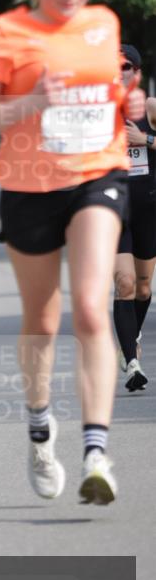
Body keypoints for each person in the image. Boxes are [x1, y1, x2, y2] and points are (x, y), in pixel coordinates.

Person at [0, 0, 145, 506]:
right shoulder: (6, 31)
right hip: (27, 184)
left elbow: (108, 94)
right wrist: (31, 102)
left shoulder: (104, 24)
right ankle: (41, 429)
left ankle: (97, 452)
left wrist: (127, 104)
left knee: (93, 306)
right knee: (42, 320)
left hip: (97, 173)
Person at [113, 43, 156, 392]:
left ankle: (133, 334)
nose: (120, 70)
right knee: (124, 284)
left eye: (127, 66)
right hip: (114, 209)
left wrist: (146, 139)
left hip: (148, 208)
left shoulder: (151, 108)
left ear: (136, 72)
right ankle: (131, 362)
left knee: (143, 287)